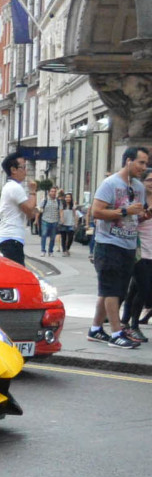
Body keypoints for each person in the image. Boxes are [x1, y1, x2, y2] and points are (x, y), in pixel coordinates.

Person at [86, 145, 149, 349]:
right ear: (128, 161)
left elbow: (136, 217)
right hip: (108, 243)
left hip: (129, 244)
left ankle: (95, 329)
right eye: (141, 162)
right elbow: (96, 212)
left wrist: (144, 214)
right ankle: (116, 333)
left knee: (110, 290)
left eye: (146, 163)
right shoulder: (110, 183)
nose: (143, 167)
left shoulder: (138, 187)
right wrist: (124, 211)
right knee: (113, 290)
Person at [119, 168, 152, 339]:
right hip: (138, 249)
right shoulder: (137, 200)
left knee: (135, 288)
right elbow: (129, 221)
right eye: (150, 180)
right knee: (144, 288)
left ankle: (124, 321)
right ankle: (133, 325)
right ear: (143, 182)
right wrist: (143, 216)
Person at [0, 152, 38, 265]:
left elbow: (29, 212)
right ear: (13, 170)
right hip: (11, 237)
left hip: (9, 237)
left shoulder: (11, 186)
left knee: (15, 274)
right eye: (23, 167)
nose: (25, 171)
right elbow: (29, 210)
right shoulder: (15, 187)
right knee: (18, 275)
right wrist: (33, 191)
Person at [39, 187, 61, 256]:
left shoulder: (58, 202)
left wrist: (61, 219)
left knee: (52, 237)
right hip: (45, 220)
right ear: (49, 193)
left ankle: (50, 251)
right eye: (52, 191)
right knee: (44, 235)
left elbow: (60, 211)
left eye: (54, 191)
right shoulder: (45, 200)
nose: (53, 193)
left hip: (54, 221)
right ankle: (43, 250)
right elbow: (40, 208)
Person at [57, 193, 76, 257]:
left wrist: (76, 222)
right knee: (63, 238)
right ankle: (64, 250)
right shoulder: (62, 204)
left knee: (71, 237)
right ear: (64, 198)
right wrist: (62, 219)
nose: (68, 198)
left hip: (71, 223)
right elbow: (61, 211)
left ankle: (67, 248)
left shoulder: (73, 205)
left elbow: (75, 214)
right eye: (66, 197)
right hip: (63, 223)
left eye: (69, 197)